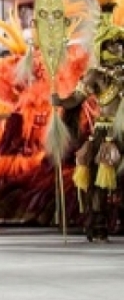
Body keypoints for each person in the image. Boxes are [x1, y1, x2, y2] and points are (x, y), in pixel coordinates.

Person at [52, 12, 124, 242]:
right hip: (107, 134)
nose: (119, 48)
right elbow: (76, 99)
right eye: (113, 44)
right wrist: (60, 101)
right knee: (98, 179)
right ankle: (98, 225)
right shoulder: (95, 75)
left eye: (121, 43)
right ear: (102, 47)